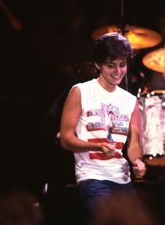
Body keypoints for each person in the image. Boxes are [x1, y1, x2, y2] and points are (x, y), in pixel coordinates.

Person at [59, 32, 147, 219]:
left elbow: (134, 144)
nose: (118, 71)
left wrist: (138, 161)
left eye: (122, 65)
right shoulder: (81, 91)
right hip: (94, 178)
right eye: (111, 65)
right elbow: (66, 140)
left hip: (123, 180)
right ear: (98, 64)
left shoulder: (130, 101)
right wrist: (96, 146)